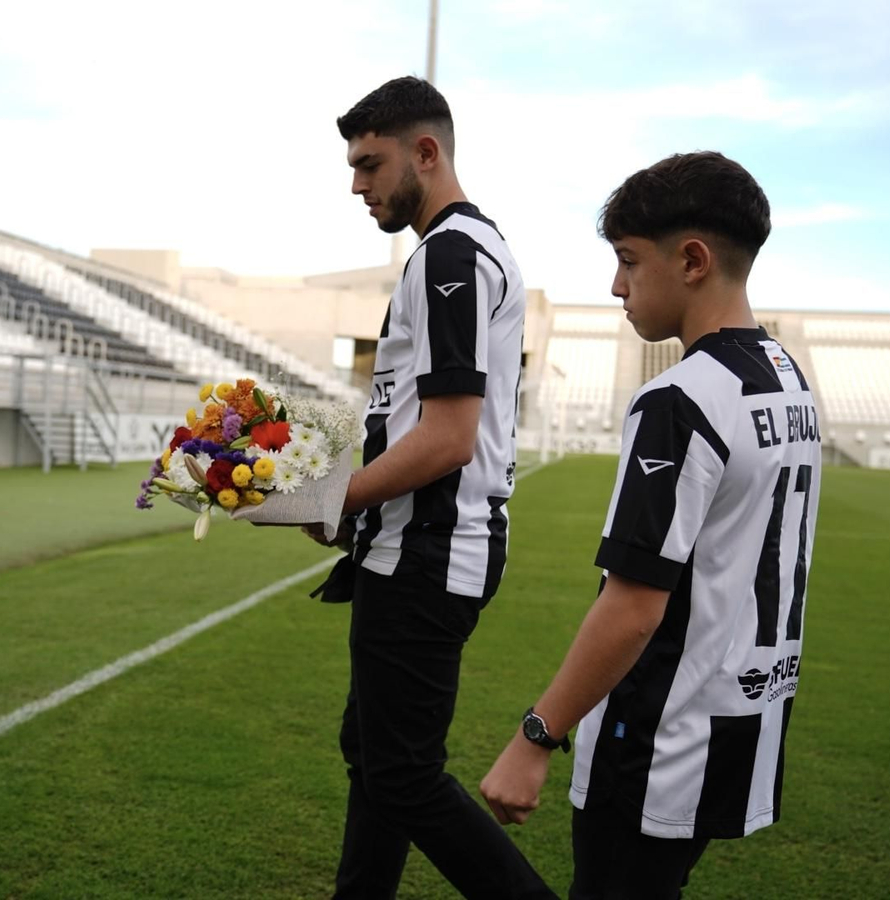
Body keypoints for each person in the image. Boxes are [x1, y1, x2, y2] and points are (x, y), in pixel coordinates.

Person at [479, 151, 823, 899]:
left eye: (629, 261)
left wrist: (536, 736)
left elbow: (635, 605)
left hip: (661, 738)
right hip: (745, 716)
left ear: (693, 260)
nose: (616, 285)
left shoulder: (680, 398)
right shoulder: (788, 377)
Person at [318, 76, 554, 900]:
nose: (356, 184)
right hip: (417, 546)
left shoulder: (451, 255)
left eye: (370, 163)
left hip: (427, 552)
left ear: (428, 152)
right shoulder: (460, 250)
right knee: (376, 756)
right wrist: (355, 507)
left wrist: (335, 498)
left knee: (404, 772)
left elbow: (450, 436)